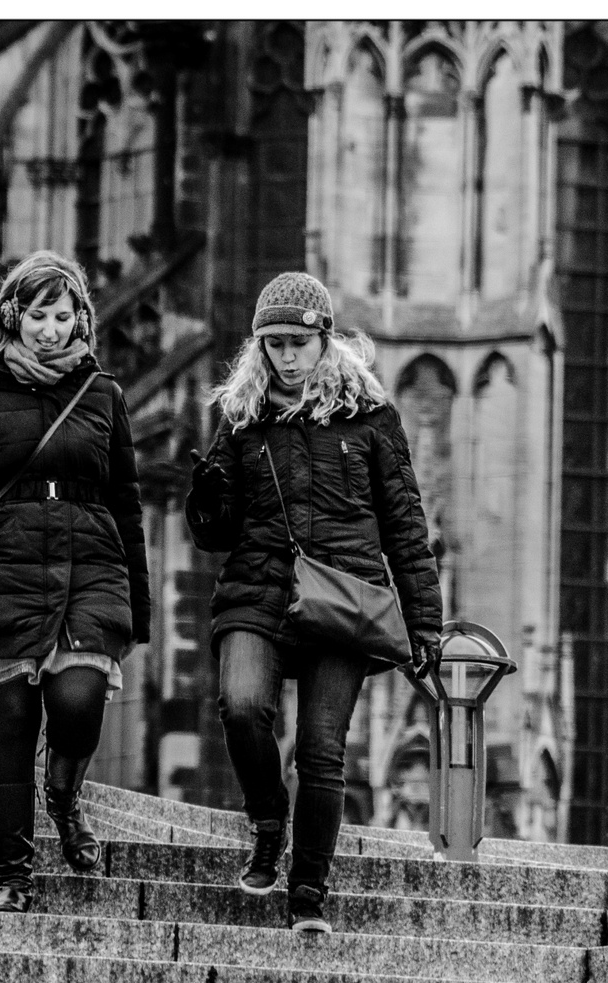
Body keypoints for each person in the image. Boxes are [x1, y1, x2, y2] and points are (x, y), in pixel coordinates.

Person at [184, 271, 443, 933]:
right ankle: (267, 824)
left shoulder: (370, 418)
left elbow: (406, 526)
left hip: (345, 598)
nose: (287, 356)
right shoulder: (242, 420)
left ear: (325, 340)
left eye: (298, 342)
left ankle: (307, 895)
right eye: (273, 345)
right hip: (258, 592)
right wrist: (205, 499)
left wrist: (424, 626)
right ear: (258, 349)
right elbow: (215, 535)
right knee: (242, 707)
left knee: (321, 750)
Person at [0, 250, 150, 914]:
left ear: (82, 318)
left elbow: (126, 503)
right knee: (11, 722)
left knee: (78, 703)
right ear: (14, 318)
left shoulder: (103, 393)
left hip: (89, 566)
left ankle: (65, 798)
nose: (51, 328)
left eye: (63, 313)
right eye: (39, 314)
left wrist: (139, 606)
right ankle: (13, 874)